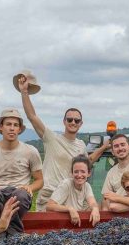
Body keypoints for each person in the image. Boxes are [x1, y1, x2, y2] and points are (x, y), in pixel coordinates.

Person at [17, 76, 96, 211]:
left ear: (81, 124)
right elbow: (32, 117)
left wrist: (105, 147)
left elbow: (88, 163)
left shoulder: (81, 145)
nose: (73, 122)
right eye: (69, 119)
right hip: (49, 194)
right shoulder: (51, 138)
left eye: (76, 120)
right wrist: (24, 93)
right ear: (64, 121)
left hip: (71, 197)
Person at [0, 108, 43, 234]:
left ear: (20, 129)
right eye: (8, 124)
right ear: (1, 127)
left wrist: (30, 188)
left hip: (19, 191)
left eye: (16, 125)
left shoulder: (30, 151)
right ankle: (14, 235)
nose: (12, 128)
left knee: (21, 195)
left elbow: (39, 180)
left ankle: (0, 236)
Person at [46, 155, 101, 226]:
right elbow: (49, 206)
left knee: (99, 206)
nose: (79, 175)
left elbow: (92, 203)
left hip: (75, 222)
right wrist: (70, 209)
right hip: (61, 222)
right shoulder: (66, 184)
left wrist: (95, 208)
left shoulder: (87, 186)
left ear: (89, 173)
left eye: (83, 172)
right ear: (72, 173)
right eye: (76, 172)